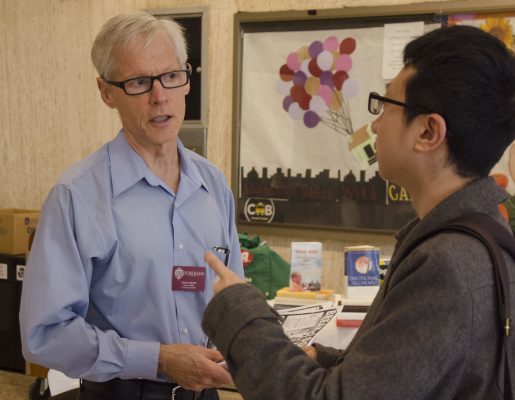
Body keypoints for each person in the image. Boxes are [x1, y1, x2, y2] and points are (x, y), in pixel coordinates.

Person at [201, 25, 515, 399]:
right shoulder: (480, 233)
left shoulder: (447, 263)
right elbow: (409, 378)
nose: (376, 125)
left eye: (386, 106)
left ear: (429, 132)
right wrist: (320, 358)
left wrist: (239, 308)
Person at [19, 12, 243, 400]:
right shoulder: (77, 195)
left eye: (171, 76)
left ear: (186, 78)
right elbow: (45, 334)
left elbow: (234, 298)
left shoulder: (213, 186)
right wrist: (157, 358)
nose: (160, 96)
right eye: (139, 82)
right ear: (107, 92)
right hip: (121, 392)